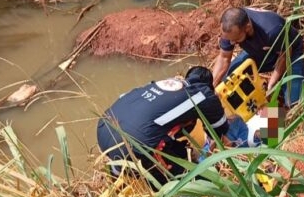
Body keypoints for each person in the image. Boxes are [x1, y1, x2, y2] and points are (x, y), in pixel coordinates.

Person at [96, 66, 230, 184]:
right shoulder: (203, 94)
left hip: (104, 128)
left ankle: (120, 173)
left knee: (177, 150)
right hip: (136, 144)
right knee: (194, 182)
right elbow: (221, 133)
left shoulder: (158, 84)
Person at [211, 7, 304, 107]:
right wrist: (211, 87)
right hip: (260, 51)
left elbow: (285, 55)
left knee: (292, 102)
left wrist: (271, 85)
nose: (231, 43)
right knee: (229, 77)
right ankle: (246, 106)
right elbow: (224, 57)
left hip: (289, 53)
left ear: (247, 27)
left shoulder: (271, 30)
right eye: (229, 39)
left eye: (236, 39)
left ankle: (278, 111)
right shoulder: (230, 28)